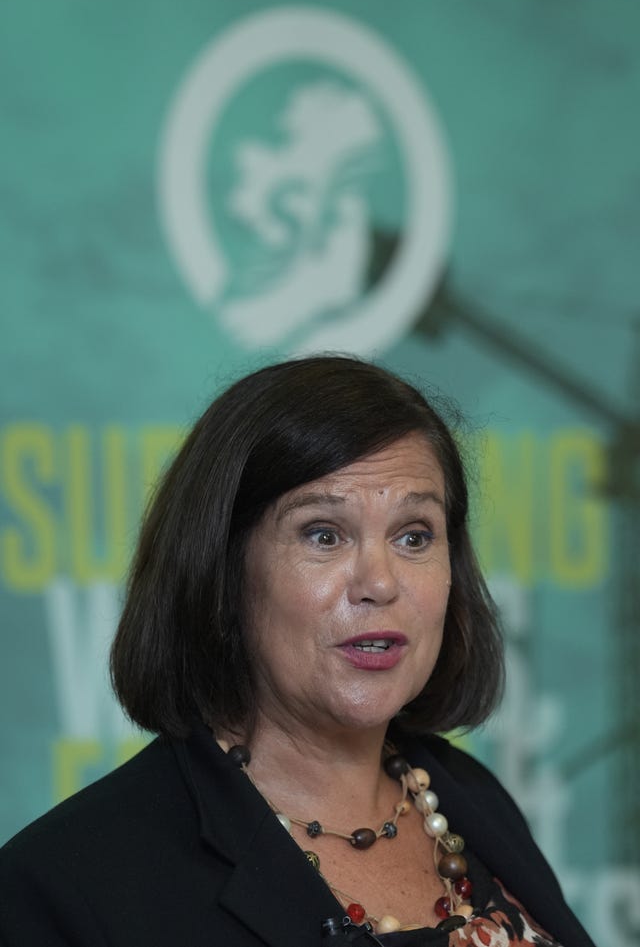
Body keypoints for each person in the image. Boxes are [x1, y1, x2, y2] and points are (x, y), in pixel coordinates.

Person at [0, 356, 595, 947]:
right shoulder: (64, 887)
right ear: (223, 571)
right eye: (323, 534)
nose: (380, 583)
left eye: (414, 536)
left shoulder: (469, 795)